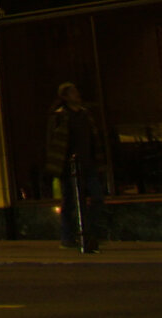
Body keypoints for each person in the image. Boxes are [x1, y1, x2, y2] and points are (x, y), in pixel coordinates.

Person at [43, 81, 103, 251]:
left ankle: (86, 232)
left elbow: (93, 138)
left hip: (87, 164)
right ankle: (69, 236)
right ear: (65, 97)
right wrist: (56, 164)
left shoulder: (85, 114)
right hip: (68, 166)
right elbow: (52, 142)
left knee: (97, 198)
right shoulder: (59, 116)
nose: (77, 94)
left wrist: (97, 159)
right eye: (73, 92)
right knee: (70, 201)